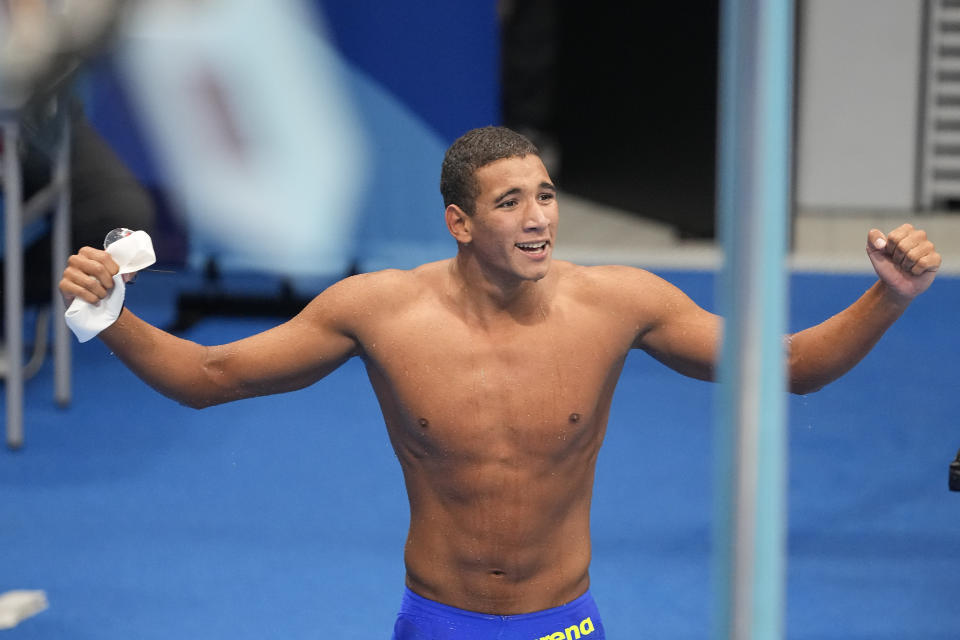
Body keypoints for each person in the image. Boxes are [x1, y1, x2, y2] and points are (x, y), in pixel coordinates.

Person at [58, 126, 941, 639]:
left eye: (546, 196)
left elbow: (788, 368)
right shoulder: (379, 312)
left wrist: (888, 296)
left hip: (562, 624)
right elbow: (212, 375)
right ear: (459, 222)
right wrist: (114, 321)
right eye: (511, 202)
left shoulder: (619, 302)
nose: (538, 219)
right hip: (437, 621)